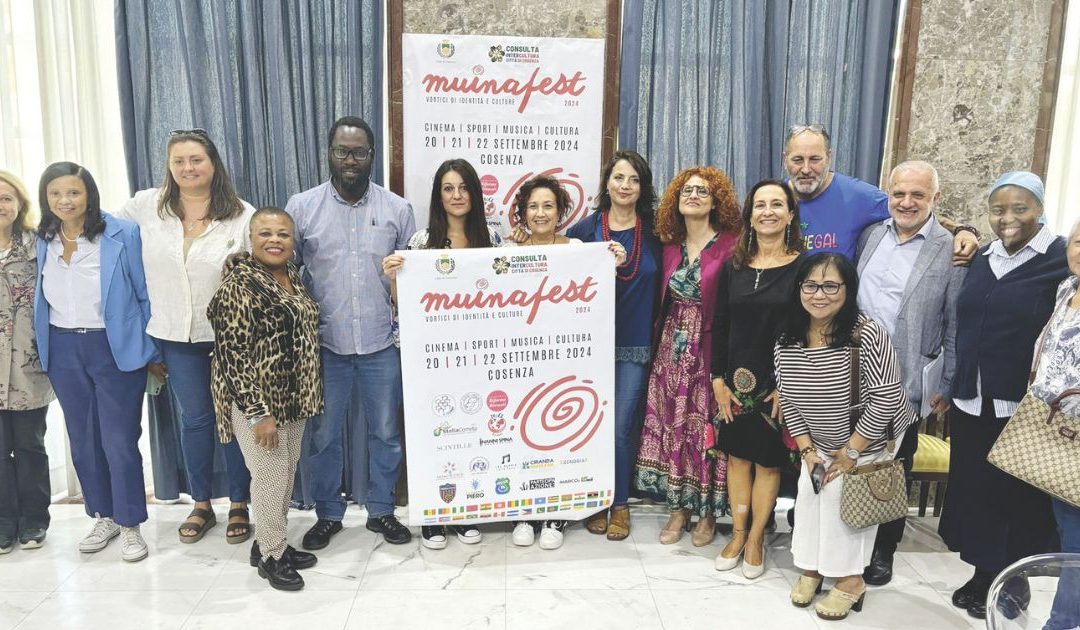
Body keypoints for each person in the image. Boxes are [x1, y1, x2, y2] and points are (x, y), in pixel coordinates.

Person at [940, 171, 1070, 620]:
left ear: (1039, 209)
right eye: (998, 209)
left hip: (1023, 406)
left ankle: (1014, 579)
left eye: (1020, 209)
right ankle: (983, 573)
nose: (1008, 218)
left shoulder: (1060, 259)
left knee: (1016, 499)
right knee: (975, 492)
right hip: (972, 399)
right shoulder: (981, 257)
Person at [115, 129, 254, 544]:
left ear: (213, 164)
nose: (187, 168)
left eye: (196, 160)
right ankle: (201, 502)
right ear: (169, 167)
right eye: (179, 161)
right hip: (174, 338)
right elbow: (105, 242)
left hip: (229, 340)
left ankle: (240, 503)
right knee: (195, 420)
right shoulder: (144, 208)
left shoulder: (241, 215)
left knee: (233, 422)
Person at [287, 116, 415, 548]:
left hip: (383, 344)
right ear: (329, 153)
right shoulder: (302, 208)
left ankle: (382, 511)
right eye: (342, 151)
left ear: (372, 156)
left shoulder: (398, 210)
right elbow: (285, 273)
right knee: (323, 436)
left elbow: (413, 281)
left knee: (386, 432)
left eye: (359, 151)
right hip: (325, 346)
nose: (351, 159)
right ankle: (327, 514)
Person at [775, 253, 917, 621]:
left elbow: (887, 397)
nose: (819, 294)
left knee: (842, 499)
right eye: (810, 285)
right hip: (819, 438)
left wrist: (851, 452)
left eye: (830, 286)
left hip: (870, 437)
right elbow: (787, 397)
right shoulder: (787, 336)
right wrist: (806, 450)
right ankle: (812, 569)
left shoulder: (867, 333)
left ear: (847, 289)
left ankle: (851, 581)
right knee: (809, 496)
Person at [33, 162, 159, 562]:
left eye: (73, 192)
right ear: (46, 199)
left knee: (119, 441)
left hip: (114, 346)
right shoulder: (42, 240)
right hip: (63, 348)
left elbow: (144, 293)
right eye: (56, 194)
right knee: (84, 443)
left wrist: (152, 350)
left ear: (89, 194)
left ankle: (130, 523)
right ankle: (102, 515)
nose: (65, 201)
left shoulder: (123, 233)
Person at [854, 161, 966, 585]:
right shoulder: (869, 235)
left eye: (918, 195)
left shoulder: (950, 248)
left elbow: (954, 323)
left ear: (935, 199)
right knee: (848, 457)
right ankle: (847, 544)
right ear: (889, 193)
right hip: (851, 372)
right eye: (899, 193)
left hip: (905, 379)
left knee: (892, 467)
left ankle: (883, 551)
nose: (906, 202)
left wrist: (947, 384)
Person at [501, 174, 625, 551]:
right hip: (523, 358)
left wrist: (614, 257)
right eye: (533, 206)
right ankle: (524, 511)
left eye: (548, 206)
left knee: (558, 436)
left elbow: (598, 284)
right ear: (522, 213)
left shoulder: (576, 247)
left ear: (561, 212)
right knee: (522, 433)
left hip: (566, 359)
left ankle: (556, 512)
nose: (541, 213)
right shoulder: (508, 252)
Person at [381, 158, 498, 550]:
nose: (457, 196)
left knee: (473, 438)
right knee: (432, 438)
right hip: (432, 362)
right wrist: (394, 278)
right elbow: (403, 306)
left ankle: (466, 510)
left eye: (463, 187)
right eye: (448, 188)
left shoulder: (493, 241)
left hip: (479, 361)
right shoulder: (420, 243)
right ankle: (433, 513)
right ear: (438, 195)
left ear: (474, 193)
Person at [208, 207, 322, 591]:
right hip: (257, 405)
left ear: (293, 241)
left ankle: (270, 543)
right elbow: (232, 356)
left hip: (293, 399)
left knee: (285, 474)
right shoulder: (238, 286)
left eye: (283, 234)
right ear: (250, 240)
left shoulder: (290, 277)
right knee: (270, 478)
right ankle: (272, 557)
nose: (275, 240)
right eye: (265, 234)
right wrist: (259, 414)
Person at [634, 166, 740, 547]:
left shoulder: (732, 245)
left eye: (703, 191)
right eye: (686, 191)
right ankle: (678, 508)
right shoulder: (666, 246)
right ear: (676, 201)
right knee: (673, 428)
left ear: (717, 202)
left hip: (709, 352)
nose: (693, 196)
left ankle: (709, 512)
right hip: (669, 353)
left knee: (706, 431)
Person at [710, 179, 804, 578]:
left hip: (776, 386)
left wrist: (789, 385)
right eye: (760, 204)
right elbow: (720, 324)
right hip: (733, 381)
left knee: (767, 464)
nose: (768, 211)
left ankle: (756, 540)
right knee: (736, 460)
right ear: (749, 215)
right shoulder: (734, 265)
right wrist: (717, 378)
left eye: (777, 204)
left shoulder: (804, 266)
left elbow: (807, 330)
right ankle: (739, 531)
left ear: (790, 214)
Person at [568, 150, 662, 541]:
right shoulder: (585, 230)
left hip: (634, 346)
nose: (625, 186)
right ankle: (593, 499)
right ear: (606, 183)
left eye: (634, 179)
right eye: (618, 178)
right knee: (588, 426)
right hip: (588, 348)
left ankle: (619, 503)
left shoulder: (657, 233)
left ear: (643, 188)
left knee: (621, 428)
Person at [782, 124, 978, 262]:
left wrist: (962, 230)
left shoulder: (857, 195)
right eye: (798, 159)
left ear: (829, 157)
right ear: (785, 160)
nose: (806, 169)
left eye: (815, 159)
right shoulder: (773, 199)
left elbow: (910, 211)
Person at [0, 171, 55, 553]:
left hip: (27, 364)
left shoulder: (39, 246)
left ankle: (35, 519)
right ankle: (5, 522)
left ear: (19, 204)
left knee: (30, 445)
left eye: (5, 198)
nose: (0, 205)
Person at [1030, 218, 1080, 630]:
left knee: (1076, 539)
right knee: (1065, 529)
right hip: (1052, 429)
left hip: (1078, 435)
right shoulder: (1067, 288)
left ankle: (1061, 623)